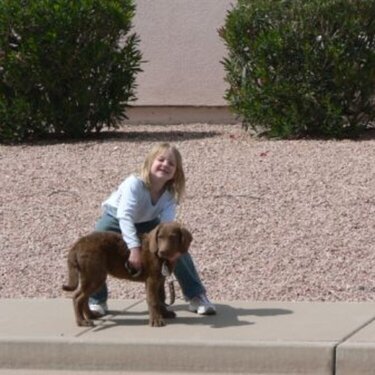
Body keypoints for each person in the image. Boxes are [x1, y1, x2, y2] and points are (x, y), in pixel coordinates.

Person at [89, 142, 216, 316]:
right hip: (116, 219)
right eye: (161, 160)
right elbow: (125, 217)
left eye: (171, 164)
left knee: (176, 245)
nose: (165, 165)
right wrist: (134, 249)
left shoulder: (171, 193)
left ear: (176, 172)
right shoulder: (134, 183)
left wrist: (173, 252)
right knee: (96, 245)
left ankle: (196, 296)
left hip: (149, 223)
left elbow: (166, 225)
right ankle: (96, 301)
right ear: (149, 162)